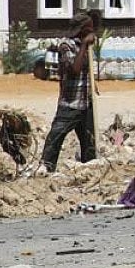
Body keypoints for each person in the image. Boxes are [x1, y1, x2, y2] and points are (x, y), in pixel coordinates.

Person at [39, 12, 97, 172]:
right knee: (56, 137)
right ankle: (46, 168)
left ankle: (89, 170)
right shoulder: (66, 45)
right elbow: (74, 70)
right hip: (70, 103)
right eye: (90, 28)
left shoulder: (87, 46)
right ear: (83, 29)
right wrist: (84, 45)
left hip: (85, 103)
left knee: (89, 142)